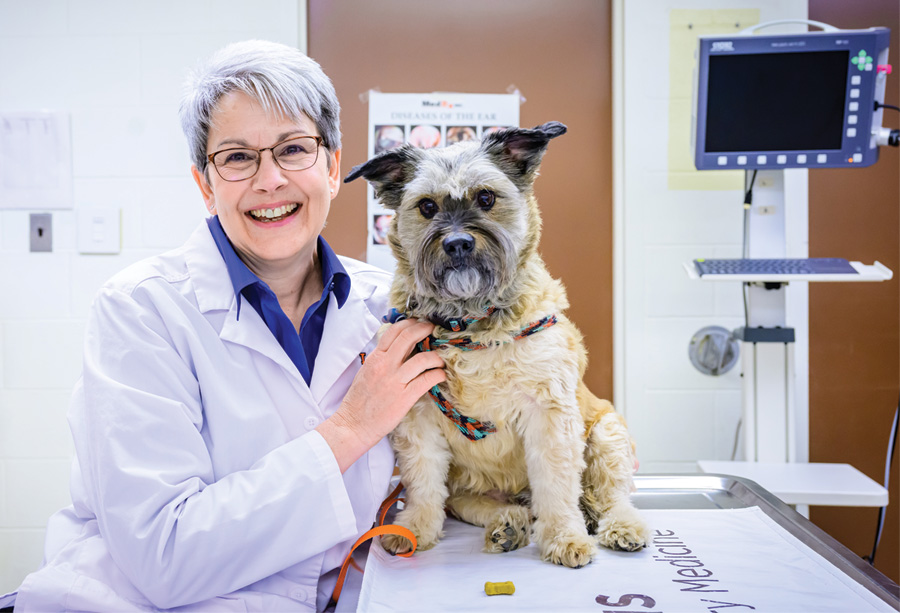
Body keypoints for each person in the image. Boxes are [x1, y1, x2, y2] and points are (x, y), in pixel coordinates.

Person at [1, 40, 444, 612]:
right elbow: (166, 557)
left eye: (293, 149)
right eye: (237, 158)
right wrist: (351, 428)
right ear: (205, 185)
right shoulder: (140, 312)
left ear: (333, 168)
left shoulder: (390, 306)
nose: (270, 180)